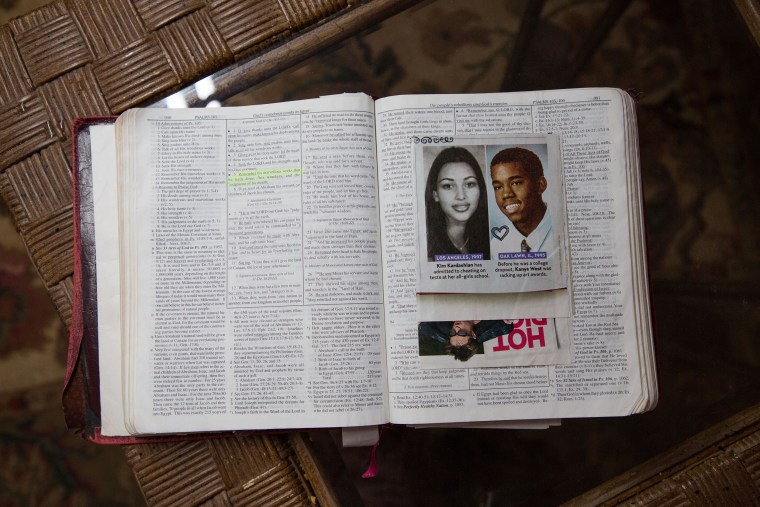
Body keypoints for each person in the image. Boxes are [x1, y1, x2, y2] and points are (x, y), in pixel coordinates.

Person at [424, 147, 490, 261]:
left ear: (480, 189)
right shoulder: (425, 250)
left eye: (469, 184)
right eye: (448, 186)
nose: (461, 196)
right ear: (435, 195)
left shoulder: (492, 240)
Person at [489, 147, 554, 254]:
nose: (506, 194)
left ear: (540, 185)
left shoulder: (563, 231)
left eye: (516, 183)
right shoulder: (496, 246)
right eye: (498, 187)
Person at [418, 320, 515, 362]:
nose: (456, 328)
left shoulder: (443, 331)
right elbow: (506, 327)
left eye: (452, 333)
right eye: (461, 333)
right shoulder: (484, 328)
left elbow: (422, 327)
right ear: (473, 334)